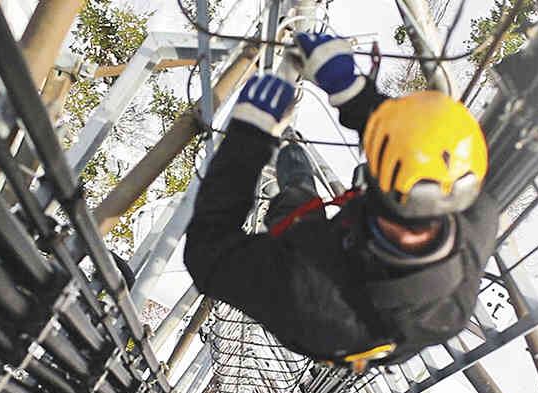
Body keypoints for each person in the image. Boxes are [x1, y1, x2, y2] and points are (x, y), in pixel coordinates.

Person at [184, 33, 498, 370]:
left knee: (294, 202)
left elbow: (207, 255)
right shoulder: (474, 215)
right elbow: (418, 157)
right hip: (365, 281)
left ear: (372, 183)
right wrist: (353, 94)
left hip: (328, 314)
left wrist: (248, 139)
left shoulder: (305, 288)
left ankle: (292, 172)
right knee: (297, 197)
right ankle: (293, 168)